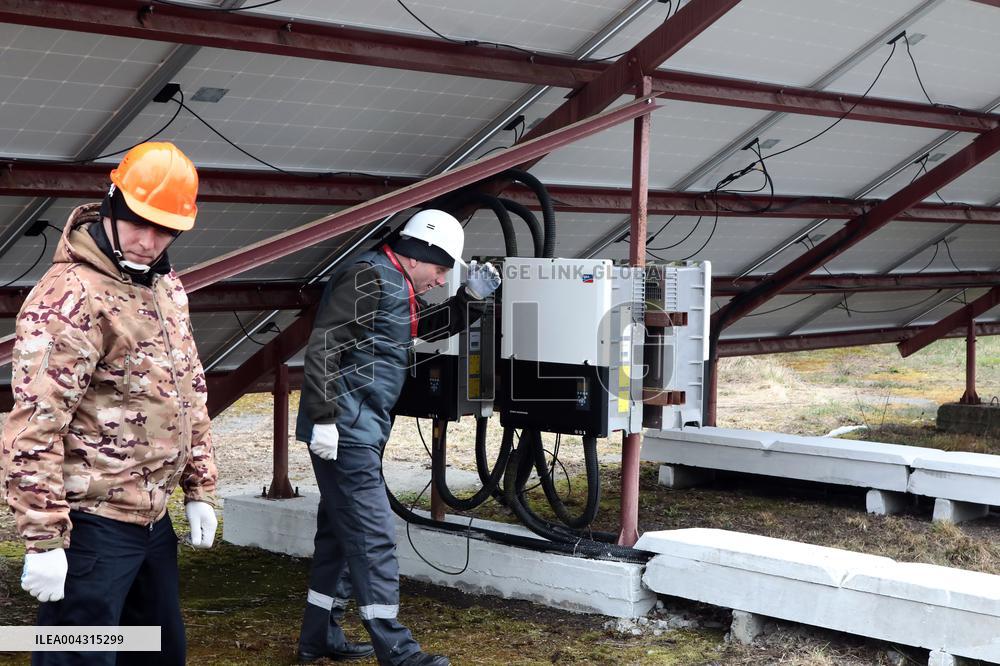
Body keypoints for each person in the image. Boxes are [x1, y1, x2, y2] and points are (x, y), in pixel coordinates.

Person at [0, 141, 219, 666]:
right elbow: (35, 426)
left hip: (151, 522)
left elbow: (189, 388)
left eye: (166, 229)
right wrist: (45, 540)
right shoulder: (71, 295)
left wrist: (200, 485)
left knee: (157, 653)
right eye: (140, 223)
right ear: (114, 204)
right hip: (91, 527)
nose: (150, 241)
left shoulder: (165, 285)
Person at [295, 209, 501, 666]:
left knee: (339, 535)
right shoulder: (369, 276)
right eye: (441, 269)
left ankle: (319, 636)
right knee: (374, 536)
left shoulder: (396, 284)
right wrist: (324, 418)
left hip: (357, 427)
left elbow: (419, 329)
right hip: (344, 430)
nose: (440, 279)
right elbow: (326, 344)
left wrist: (468, 299)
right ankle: (397, 651)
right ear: (420, 252)